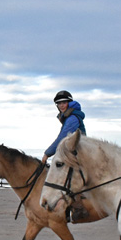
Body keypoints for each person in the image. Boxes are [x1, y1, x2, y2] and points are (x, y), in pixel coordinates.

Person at [42, 90, 89, 220]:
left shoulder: (72, 118)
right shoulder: (69, 117)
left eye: (64, 102)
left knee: (66, 177)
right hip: (75, 151)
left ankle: (76, 209)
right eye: (59, 103)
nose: (61, 105)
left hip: (79, 151)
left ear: (70, 103)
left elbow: (62, 139)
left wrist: (47, 153)